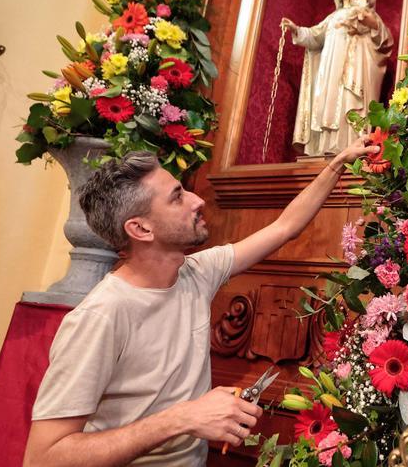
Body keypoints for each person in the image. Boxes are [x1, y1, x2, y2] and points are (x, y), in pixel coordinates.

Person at [23, 136, 379, 466]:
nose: (198, 200)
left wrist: (338, 163)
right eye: (177, 196)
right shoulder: (101, 316)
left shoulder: (195, 272)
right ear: (141, 229)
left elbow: (285, 227)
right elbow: (44, 457)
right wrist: (182, 418)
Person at [282, 0, 392, 157]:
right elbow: (315, 36)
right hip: (329, 69)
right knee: (328, 105)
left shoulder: (362, 9)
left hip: (352, 68)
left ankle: (349, 147)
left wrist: (370, 23)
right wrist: (297, 30)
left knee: (348, 102)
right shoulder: (333, 17)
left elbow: (384, 38)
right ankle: (324, 148)